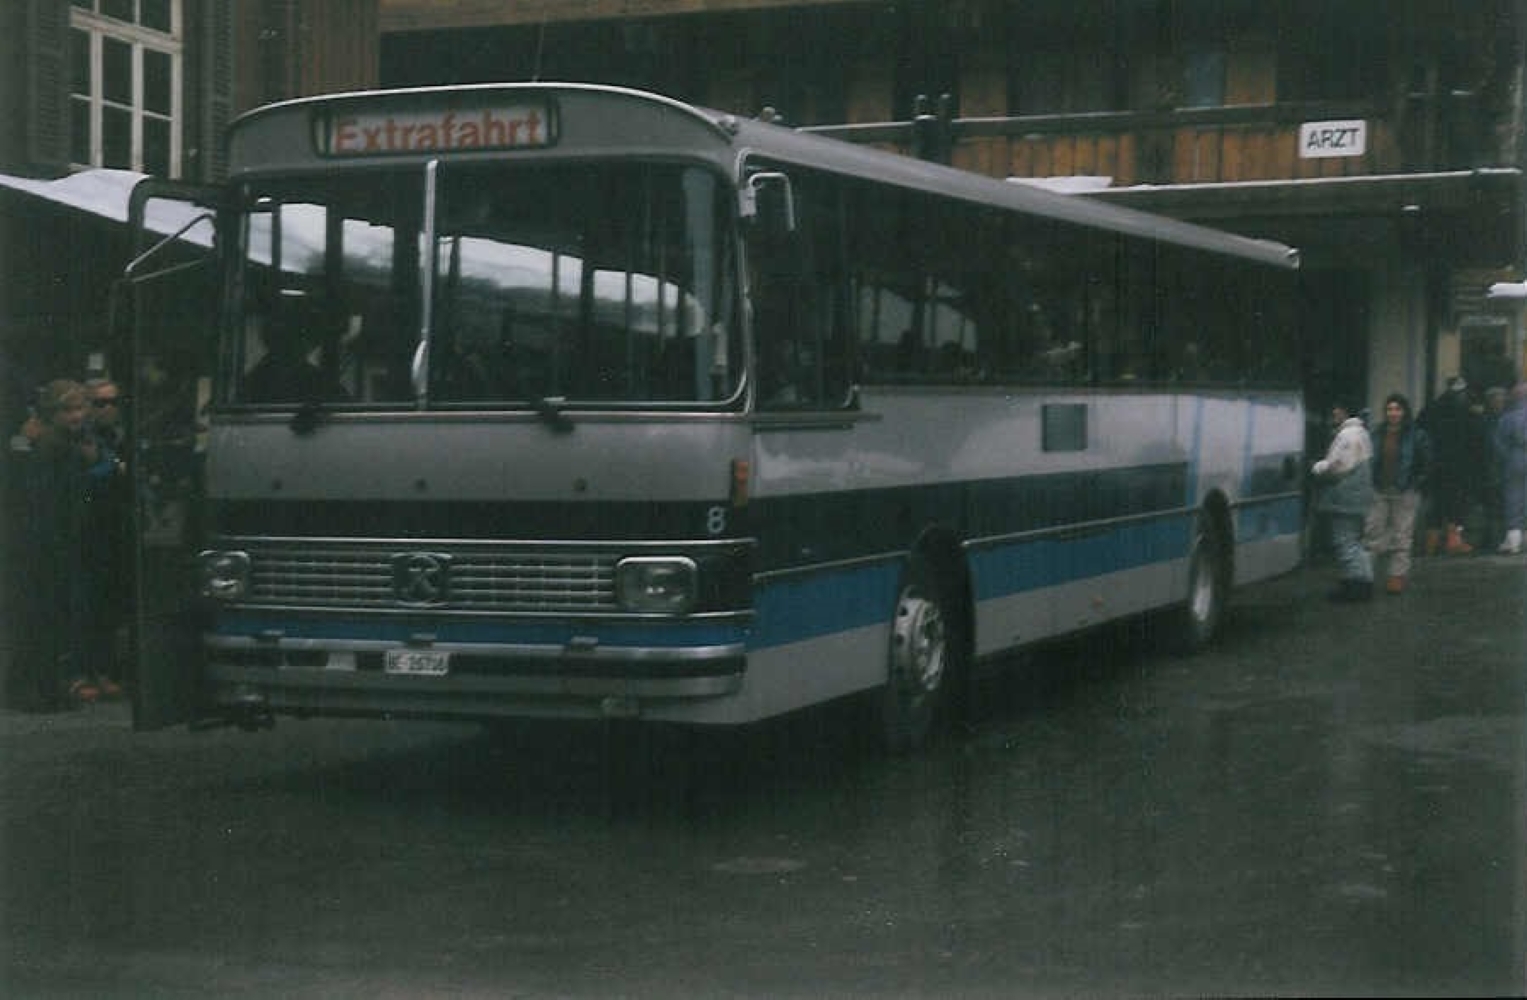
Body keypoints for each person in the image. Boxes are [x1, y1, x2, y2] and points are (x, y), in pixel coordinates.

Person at [10, 380, 95, 710]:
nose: (76, 415)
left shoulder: (67, 443)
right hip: (46, 540)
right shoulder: (50, 446)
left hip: (60, 538)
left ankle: (35, 684)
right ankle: (37, 686)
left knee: (49, 615)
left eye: (80, 407)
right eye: (68, 409)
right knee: (44, 615)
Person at [82, 377, 131, 698]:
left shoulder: (121, 436)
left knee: (115, 602)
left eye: (113, 401)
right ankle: (94, 670)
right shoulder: (83, 438)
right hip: (89, 528)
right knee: (93, 604)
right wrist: (114, 468)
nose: (108, 408)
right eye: (100, 402)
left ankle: (109, 668)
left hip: (117, 526)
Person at [1364, 392, 1430, 594]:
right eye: (1389, 409)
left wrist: (1416, 483)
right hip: (1379, 490)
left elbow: (1426, 463)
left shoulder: (1416, 435)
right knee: (1372, 533)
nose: (1393, 413)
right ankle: (1364, 575)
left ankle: (1396, 576)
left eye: (1397, 409)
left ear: (1404, 412)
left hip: (1405, 491)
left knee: (1402, 535)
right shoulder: (1376, 433)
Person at [1312, 403, 1375, 601]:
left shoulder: (1348, 435)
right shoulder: (1362, 432)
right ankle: (1363, 581)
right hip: (1358, 496)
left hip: (1345, 497)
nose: (1333, 412)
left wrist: (1317, 467)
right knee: (1354, 542)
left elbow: (1337, 466)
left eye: (1337, 409)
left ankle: (1356, 585)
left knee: (1345, 541)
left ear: (1346, 411)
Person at [1417, 376, 1484, 554]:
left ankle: (1430, 544)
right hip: (1458, 466)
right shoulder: (1466, 411)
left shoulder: (1432, 408)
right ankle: (1453, 542)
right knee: (1456, 504)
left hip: (1435, 465)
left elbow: (1420, 431)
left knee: (1437, 504)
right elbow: (1476, 440)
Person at [1494, 383, 1527, 554]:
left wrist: (1507, 458)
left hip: (1515, 459)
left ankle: (1514, 541)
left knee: (1514, 498)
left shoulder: (1508, 417)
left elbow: (1499, 443)